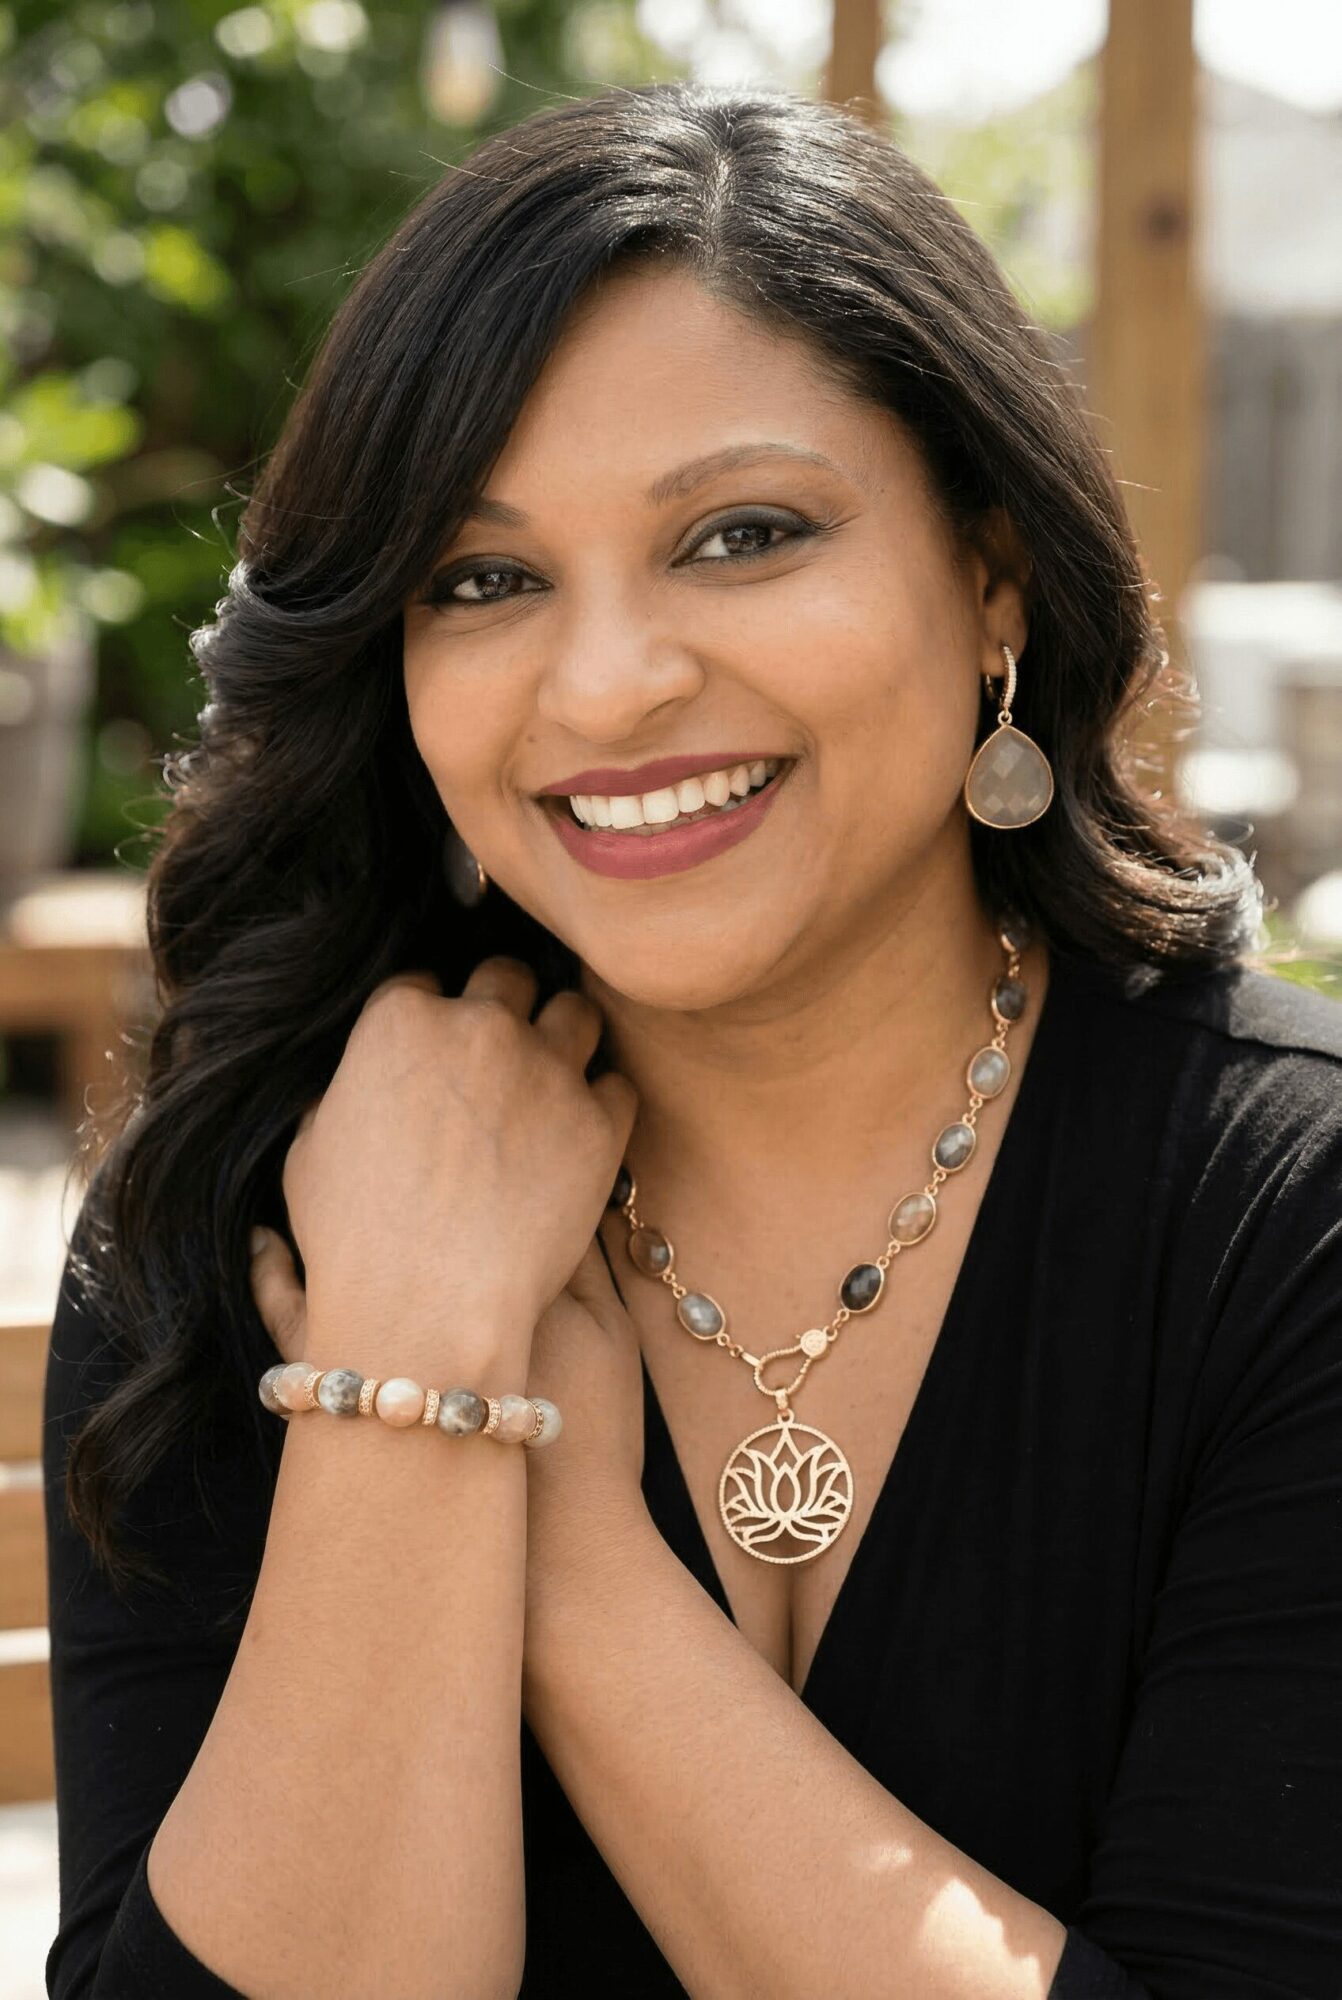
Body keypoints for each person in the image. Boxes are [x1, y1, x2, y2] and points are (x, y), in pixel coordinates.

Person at [41, 79, 1342, 2000]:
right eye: (481, 581)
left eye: (740, 535)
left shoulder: (1286, 1223)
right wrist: (399, 1340)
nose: (608, 683)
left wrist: (547, 1528)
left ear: (988, 573)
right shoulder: (245, 1212)